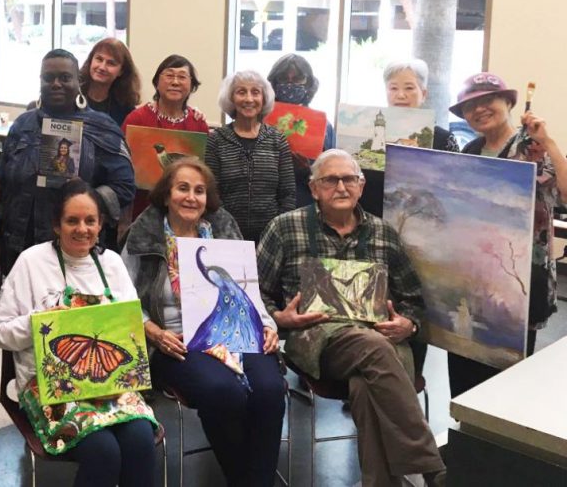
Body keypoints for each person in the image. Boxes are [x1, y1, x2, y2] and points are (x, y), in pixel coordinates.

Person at [257, 149, 445, 487]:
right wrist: (279, 317)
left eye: (349, 179)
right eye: (330, 180)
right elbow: (253, 294)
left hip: (382, 341)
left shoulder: (383, 233)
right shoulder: (285, 228)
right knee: (371, 347)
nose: (340, 187)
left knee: (365, 385)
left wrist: (408, 324)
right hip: (315, 338)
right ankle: (431, 466)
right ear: (314, 188)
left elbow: (413, 300)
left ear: (361, 186)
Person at [121, 159, 285, 486]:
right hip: (175, 341)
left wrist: (268, 325)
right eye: (183, 188)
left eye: (199, 191)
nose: (192, 198)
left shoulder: (223, 228)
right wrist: (151, 331)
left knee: (270, 389)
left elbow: (246, 288)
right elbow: (121, 299)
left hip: (237, 332)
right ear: (167, 195)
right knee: (224, 392)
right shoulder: (143, 234)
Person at [0, 178, 159, 487]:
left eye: (90, 221)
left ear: (101, 224)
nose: (82, 229)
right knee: (103, 451)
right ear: (56, 225)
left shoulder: (111, 264)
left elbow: (132, 324)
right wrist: (41, 323)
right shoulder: (31, 262)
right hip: (47, 387)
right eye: (72, 221)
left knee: (140, 440)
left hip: (110, 382)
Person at [446, 72, 567, 398]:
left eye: (487, 100)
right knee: (463, 363)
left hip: (520, 277)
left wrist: (550, 142)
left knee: (507, 379)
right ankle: (463, 435)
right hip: (471, 275)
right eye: (470, 106)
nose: (479, 109)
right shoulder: (469, 149)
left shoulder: (533, 148)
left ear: (509, 103)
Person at [0, 49, 135, 272]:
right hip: (21, 245)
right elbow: (3, 181)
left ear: (78, 81)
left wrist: (84, 196)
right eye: (48, 78)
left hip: (79, 247)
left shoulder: (103, 128)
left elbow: (125, 187)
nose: (56, 84)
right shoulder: (22, 126)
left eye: (64, 77)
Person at [352, 58, 462, 218]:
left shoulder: (443, 138)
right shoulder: (363, 133)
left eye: (409, 88)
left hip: (419, 220)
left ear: (423, 94)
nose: (400, 95)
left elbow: (453, 185)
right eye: (393, 88)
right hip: (367, 219)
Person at [205, 70, 295, 243]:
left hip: (272, 237)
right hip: (225, 235)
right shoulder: (217, 140)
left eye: (255, 92)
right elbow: (212, 192)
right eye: (241, 92)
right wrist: (226, 228)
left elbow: (288, 194)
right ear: (231, 98)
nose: (248, 99)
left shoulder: (277, 139)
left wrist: (278, 231)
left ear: (264, 98)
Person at [266, 54, 336, 208]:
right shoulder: (259, 119)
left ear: (308, 83)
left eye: (298, 79)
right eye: (284, 78)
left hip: (306, 200)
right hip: (267, 199)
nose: (290, 84)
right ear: (273, 82)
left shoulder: (323, 125)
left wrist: (311, 167)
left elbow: (332, 170)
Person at [122, 54, 208, 134]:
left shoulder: (198, 123)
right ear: (157, 82)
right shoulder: (137, 119)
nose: (175, 82)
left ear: (192, 86)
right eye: (169, 75)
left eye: (182, 77)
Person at [79, 38, 141, 127]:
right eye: (99, 59)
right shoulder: (71, 96)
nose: (102, 67)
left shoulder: (126, 109)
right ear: (90, 60)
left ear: (121, 71)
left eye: (111, 63)